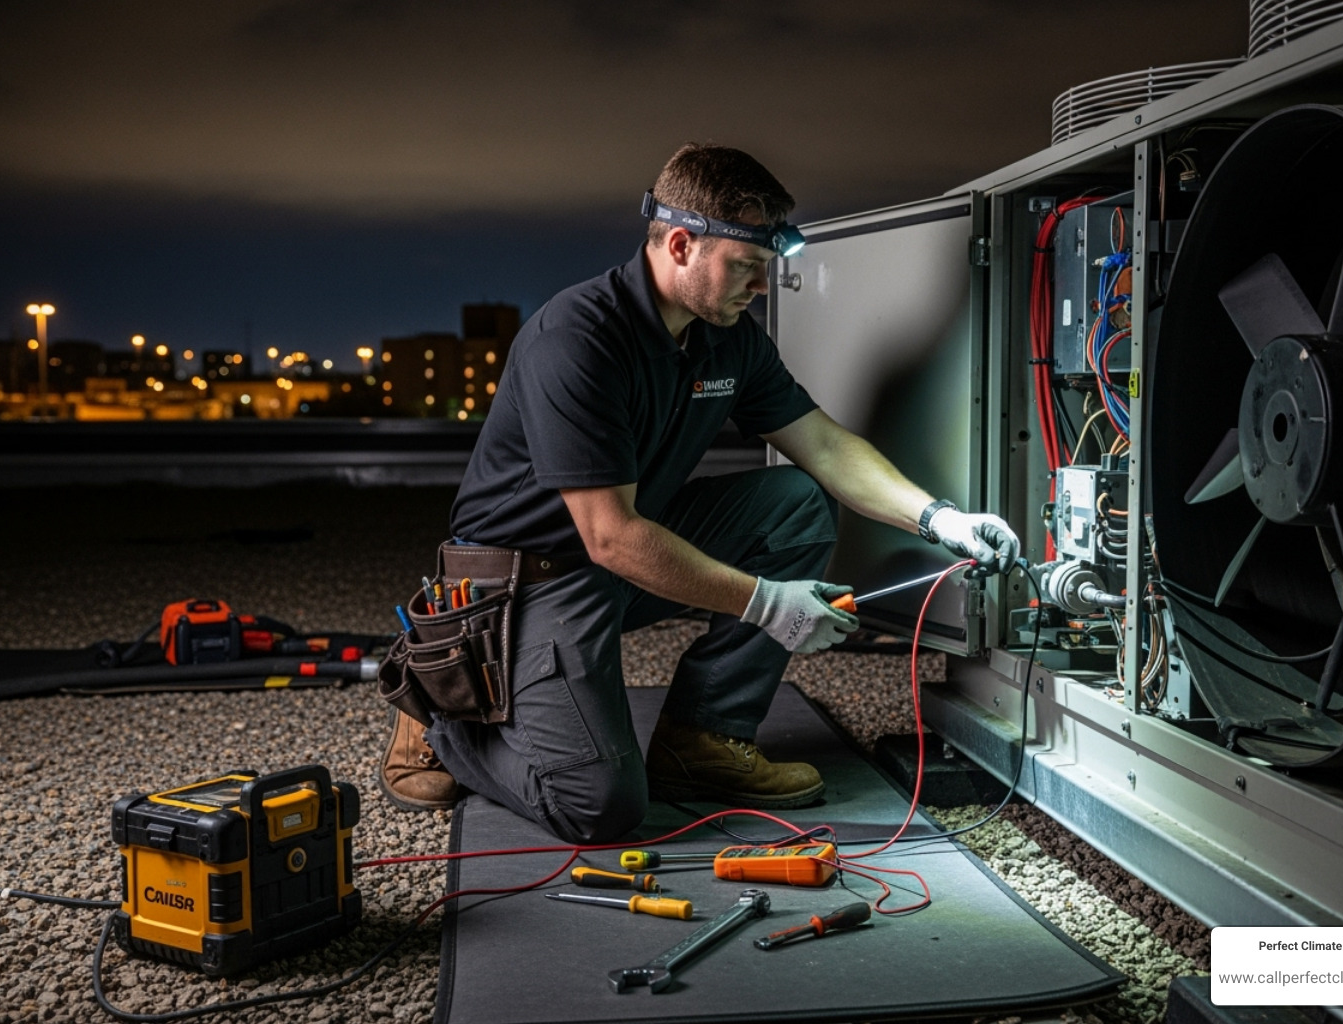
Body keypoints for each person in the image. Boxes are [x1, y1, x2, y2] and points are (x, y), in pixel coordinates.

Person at [380, 143, 1018, 842]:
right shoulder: (576, 339)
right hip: (527, 584)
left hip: (624, 550)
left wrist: (939, 519)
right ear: (681, 245)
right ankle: (441, 712)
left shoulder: (727, 339)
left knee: (795, 505)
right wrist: (767, 603)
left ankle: (703, 739)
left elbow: (826, 446)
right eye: (746, 266)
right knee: (599, 806)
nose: (762, 287)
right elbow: (609, 536)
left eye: (766, 267)